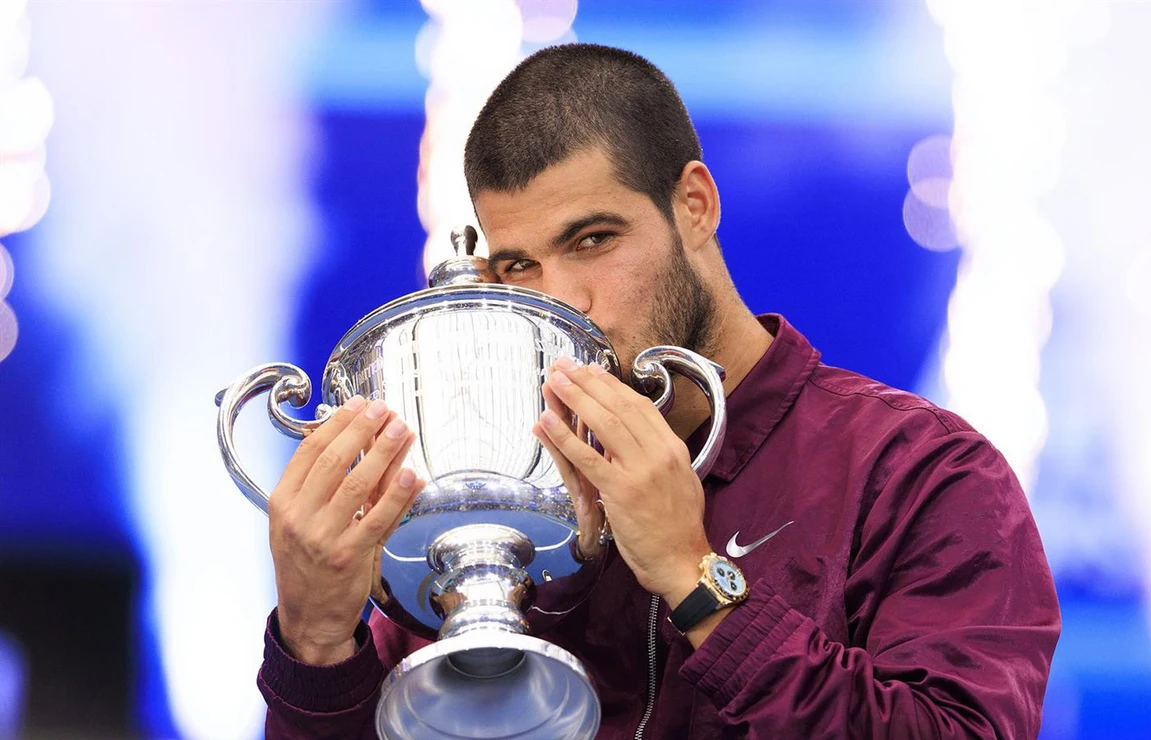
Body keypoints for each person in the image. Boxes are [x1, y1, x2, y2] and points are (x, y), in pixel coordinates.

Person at [256, 43, 1060, 739]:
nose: (561, 298)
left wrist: (696, 580)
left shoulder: (921, 473)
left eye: (593, 240)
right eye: (518, 268)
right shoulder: (497, 498)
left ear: (696, 206)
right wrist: (317, 649)